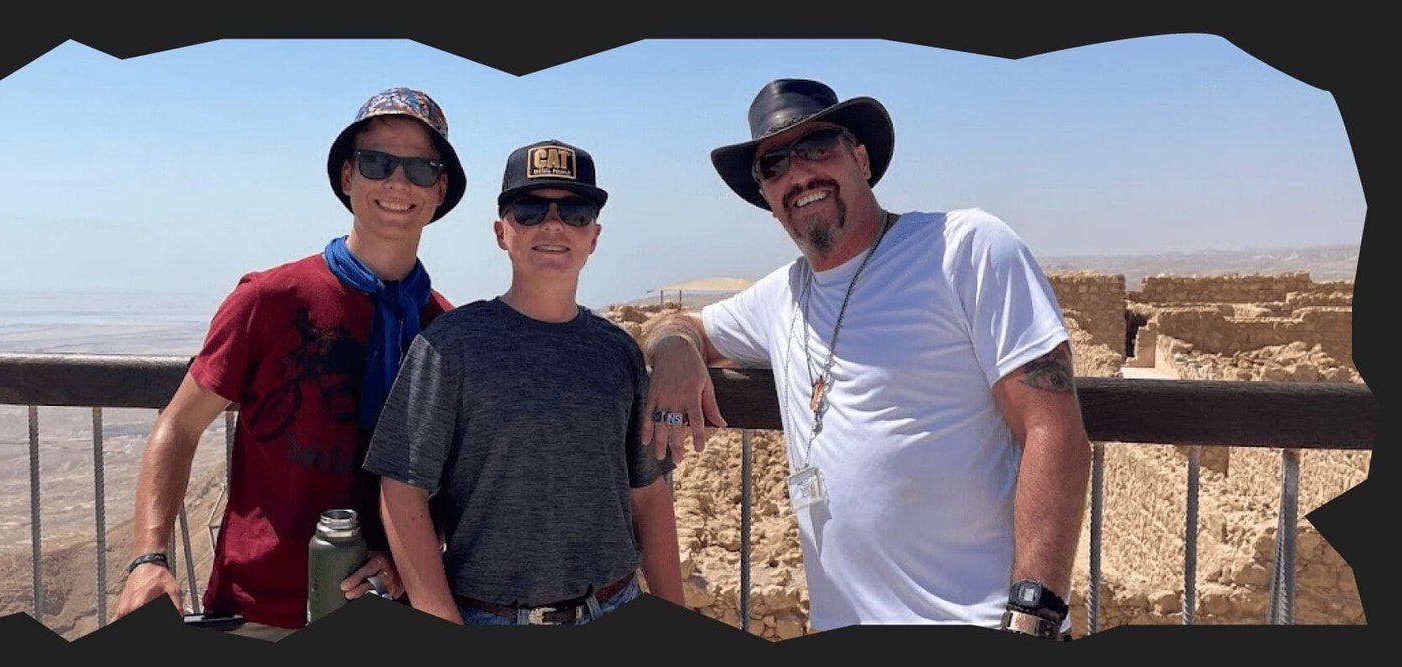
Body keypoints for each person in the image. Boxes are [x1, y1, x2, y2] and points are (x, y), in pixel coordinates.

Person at [637, 78, 1092, 640]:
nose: (798, 173)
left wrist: (1035, 612)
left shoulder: (965, 248)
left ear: (861, 158)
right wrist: (676, 349)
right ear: (767, 198)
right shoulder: (782, 297)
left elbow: (1053, 428)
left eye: (817, 147)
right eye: (774, 164)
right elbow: (676, 324)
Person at [112, 86, 469, 640]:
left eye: (421, 169)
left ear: (439, 189)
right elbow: (179, 425)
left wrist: (405, 566)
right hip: (256, 613)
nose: (398, 183)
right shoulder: (270, 299)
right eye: (377, 163)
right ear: (348, 177)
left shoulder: (444, 328)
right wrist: (148, 559)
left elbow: (450, 480)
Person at [362, 139, 684, 626]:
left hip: (616, 603)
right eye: (529, 210)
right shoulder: (451, 345)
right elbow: (402, 487)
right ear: (501, 233)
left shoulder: (617, 352)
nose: (552, 224)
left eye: (574, 211)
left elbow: (648, 494)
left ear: (593, 236)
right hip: (489, 616)